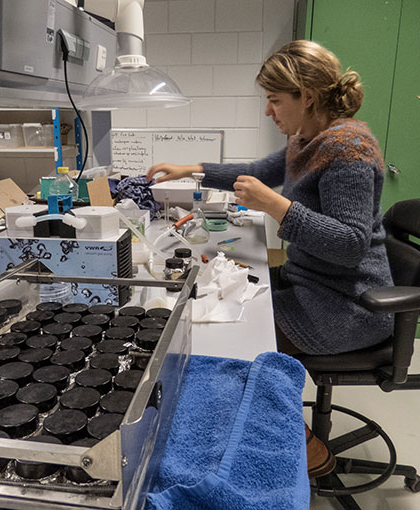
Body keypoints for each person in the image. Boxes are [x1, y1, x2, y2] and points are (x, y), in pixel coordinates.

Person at [147, 40, 395, 477]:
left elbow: (350, 243)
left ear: (309, 98)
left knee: (238, 343)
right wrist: (192, 170)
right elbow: (261, 172)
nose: (268, 112)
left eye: (275, 100)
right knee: (231, 306)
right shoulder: (309, 139)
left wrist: (275, 206)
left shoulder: (347, 149)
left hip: (349, 306)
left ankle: (300, 447)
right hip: (313, 284)